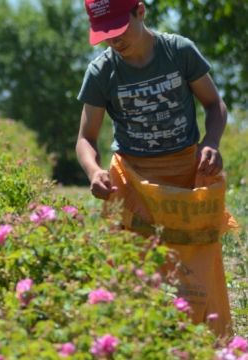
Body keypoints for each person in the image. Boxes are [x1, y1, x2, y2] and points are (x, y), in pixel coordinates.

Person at [76, 0, 236, 338]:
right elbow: (85, 138)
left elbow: (214, 105)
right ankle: (136, 344)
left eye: (119, 29)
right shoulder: (102, 72)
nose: (114, 40)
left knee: (195, 273)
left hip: (185, 176)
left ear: (140, 11)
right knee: (130, 273)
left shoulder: (178, 52)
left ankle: (208, 343)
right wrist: (93, 171)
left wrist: (211, 143)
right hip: (132, 182)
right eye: (105, 34)